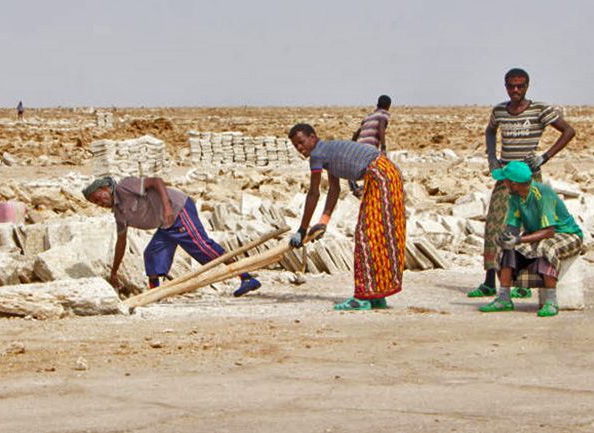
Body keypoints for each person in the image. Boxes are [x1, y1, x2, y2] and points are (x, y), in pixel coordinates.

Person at [468, 68, 576, 300]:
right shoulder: (499, 111)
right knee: (495, 226)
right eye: (511, 86)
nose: (515, 90)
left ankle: (524, 283)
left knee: (531, 227)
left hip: (529, 178)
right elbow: (490, 131)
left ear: (527, 86)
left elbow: (568, 131)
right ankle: (489, 281)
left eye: (520, 86)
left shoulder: (540, 109)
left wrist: (544, 157)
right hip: (506, 177)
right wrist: (492, 159)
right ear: (505, 86)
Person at [287, 124, 405, 310]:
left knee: (366, 237)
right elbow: (334, 190)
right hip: (388, 173)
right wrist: (323, 222)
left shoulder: (318, 155)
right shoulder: (327, 152)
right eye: (296, 146)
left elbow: (313, 194)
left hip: (379, 175)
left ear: (313, 137)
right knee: (378, 236)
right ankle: (376, 295)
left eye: (301, 142)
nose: (300, 148)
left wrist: (302, 230)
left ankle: (362, 297)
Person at [82, 176, 262, 296]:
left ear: (106, 188)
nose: (100, 203)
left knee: (202, 246)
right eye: (96, 203)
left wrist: (167, 207)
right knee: (152, 254)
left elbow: (156, 182)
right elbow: (120, 243)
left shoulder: (125, 186)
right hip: (165, 225)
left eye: (99, 197)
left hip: (177, 210)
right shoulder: (119, 214)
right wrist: (114, 273)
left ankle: (246, 277)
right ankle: (156, 294)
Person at [479, 161, 583, 317]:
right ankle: (504, 298)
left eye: (505, 180)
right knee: (507, 248)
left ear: (514, 183)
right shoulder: (515, 197)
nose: (504, 183)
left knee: (546, 247)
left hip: (567, 234)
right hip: (539, 235)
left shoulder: (543, 194)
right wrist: (507, 236)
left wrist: (519, 240)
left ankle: (551, 301)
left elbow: (549, 231)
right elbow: (513, 225)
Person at [347, 94, 392, 197]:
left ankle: (354, 186)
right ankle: (368, 189)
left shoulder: (368, 117)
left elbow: (357, 132)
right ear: (389, 106)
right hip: (369, 147)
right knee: (375, 166)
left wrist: (351, 145)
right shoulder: (383, 115)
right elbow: (381, 128)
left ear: (377, 104)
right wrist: (383, 147)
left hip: (359, 146)